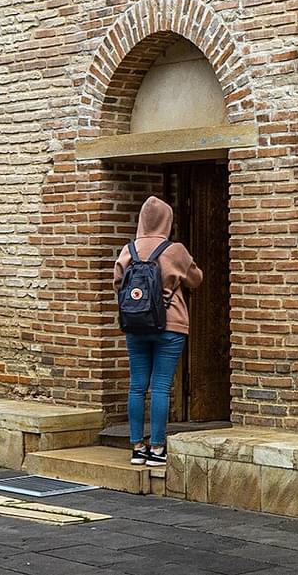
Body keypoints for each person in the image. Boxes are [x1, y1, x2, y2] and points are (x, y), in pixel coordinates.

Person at [113, 196, 202, 470]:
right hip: (171, 324)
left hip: (136, 326)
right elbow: (196, 280)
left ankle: (137, 447)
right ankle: (158, 448)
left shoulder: (128, 250)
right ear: (167, 220)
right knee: (161, 386)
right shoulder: (174, 250)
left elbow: (117, 284)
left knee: (137, 386)